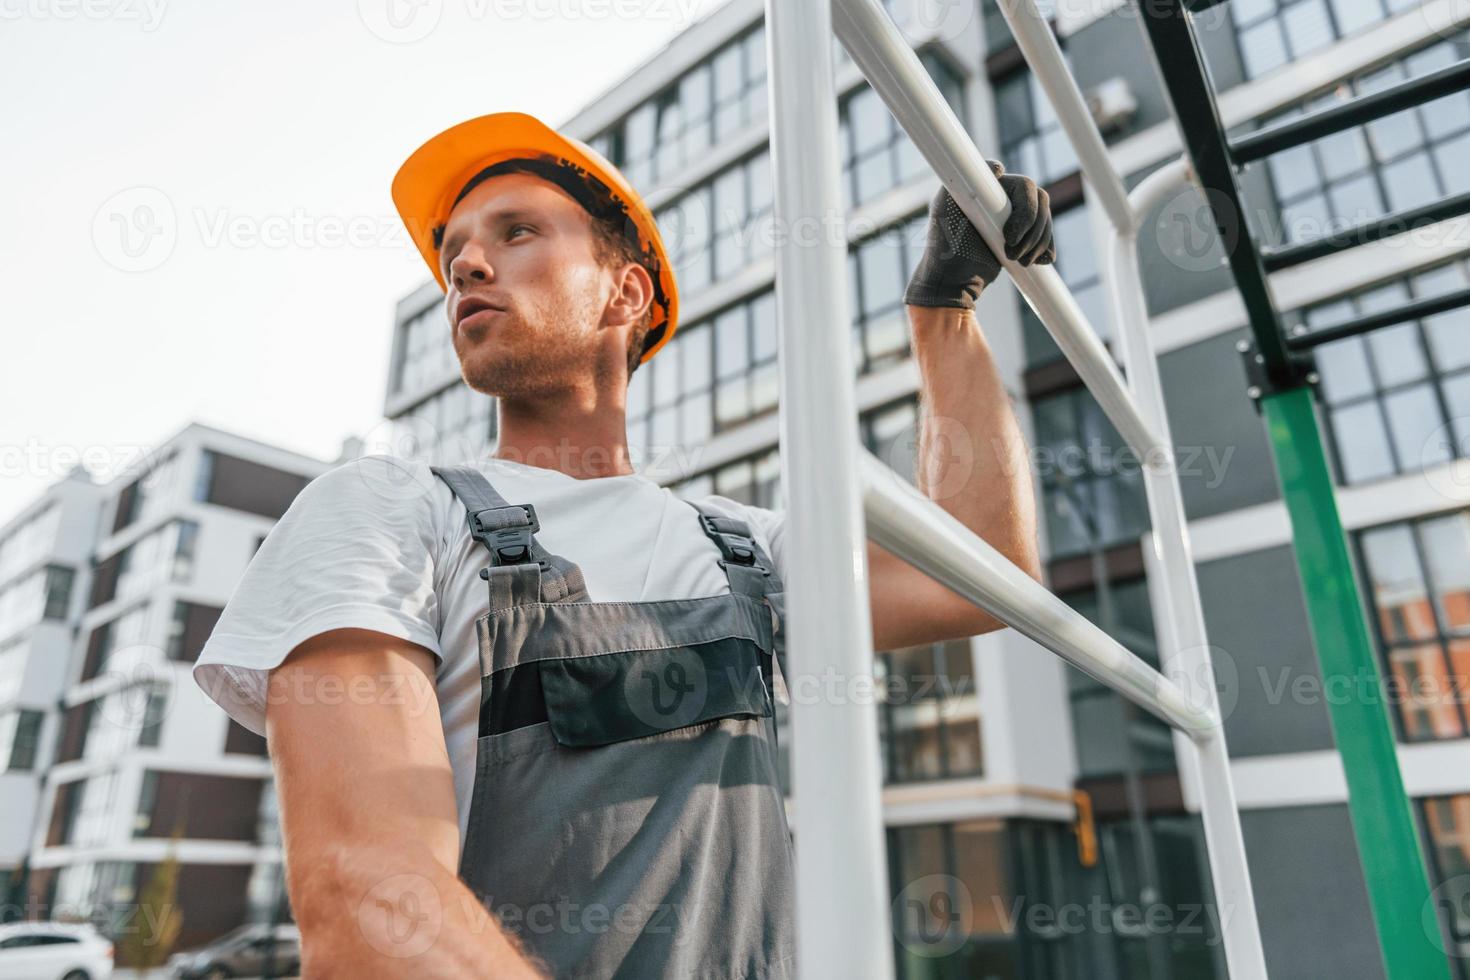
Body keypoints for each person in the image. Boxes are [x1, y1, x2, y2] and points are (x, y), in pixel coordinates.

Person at [192, 110, 1053, 979]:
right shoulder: (386, 509)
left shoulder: (738, 547)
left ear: (625, 293)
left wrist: (945, 315)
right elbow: (371, 902)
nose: (465, 266)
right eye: (454, 252)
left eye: (516, 231)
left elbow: (986, 577)